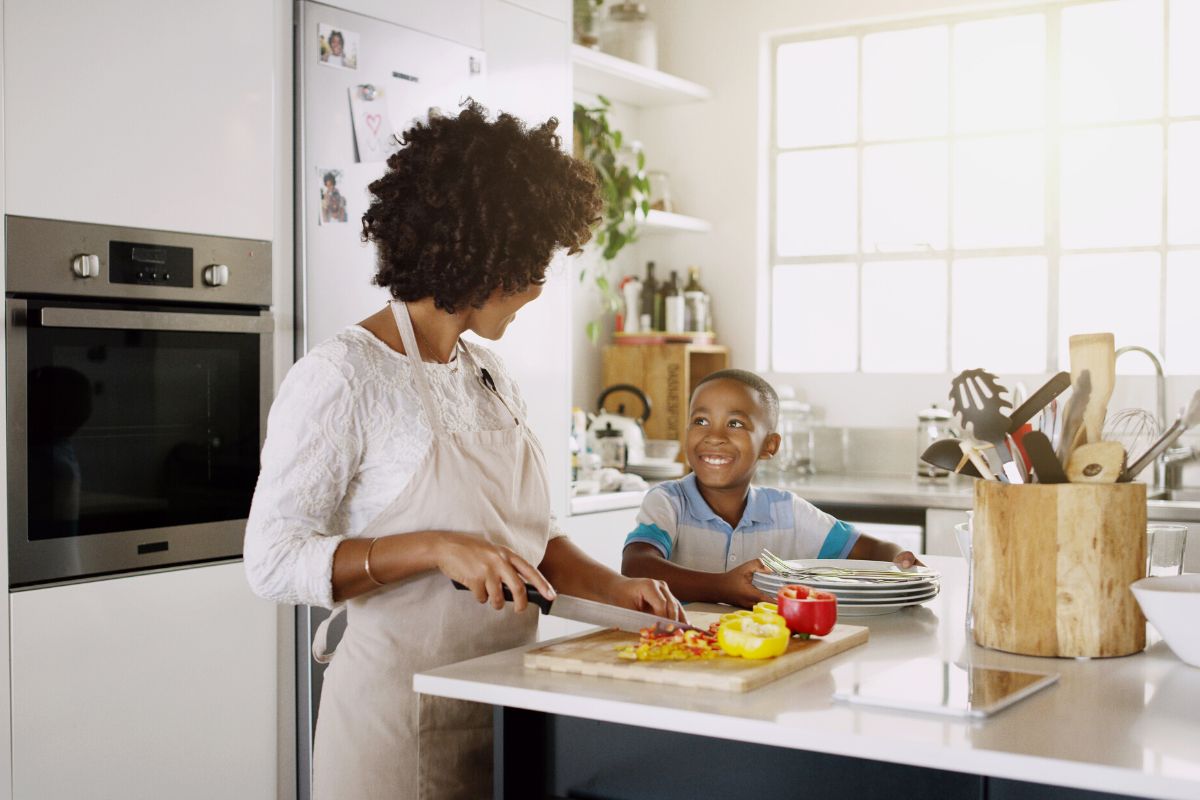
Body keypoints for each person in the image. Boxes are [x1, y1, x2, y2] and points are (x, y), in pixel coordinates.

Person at [243, 101, 685, 800]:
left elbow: (527, 544)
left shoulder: (486, 373)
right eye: (535, 262)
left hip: (509, 713)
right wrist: (431, 547)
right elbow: (270, 562)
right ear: (484, 255)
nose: (540, 286)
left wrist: (615, 589)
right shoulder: (343, 377)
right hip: (395, 727)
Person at [622, 369, 920, 609]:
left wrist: (897, 559)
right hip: (680, 652)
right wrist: (722, 585)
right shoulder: (668, 501)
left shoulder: (787, 511)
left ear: (769, 445)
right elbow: (636, 565)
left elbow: (871, 550)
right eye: (701, 421)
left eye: (735, 424)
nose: (714, 436)